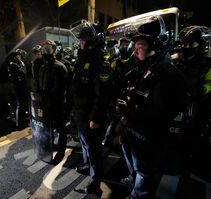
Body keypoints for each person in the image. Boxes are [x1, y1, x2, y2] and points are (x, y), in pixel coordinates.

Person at [118, 16, 187, 199]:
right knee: (137, 170)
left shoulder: (169, 76)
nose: (135, 51)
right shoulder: (147, 68)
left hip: (147, 140)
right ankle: (135, 181)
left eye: (140, 46)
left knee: (145, 174)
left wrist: (127, 111)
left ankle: (139, 194)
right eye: (135, 47)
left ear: (156, 46)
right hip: (133, 133)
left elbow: (157, 116)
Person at [72, 22, 114, 196]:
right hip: (81, 114)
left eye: (82, 41)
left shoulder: (100, 65)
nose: (79, 44)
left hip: (91, 117)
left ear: (92, 42)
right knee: (85, 144)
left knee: (94, 149)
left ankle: (95, 183)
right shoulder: (83, 61)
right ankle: (87, 164)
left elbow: (102, 96)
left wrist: (95, 119)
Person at [177, 26, 211, 179]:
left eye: (191, 44)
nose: (186, 47)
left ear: (200, 45)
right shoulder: (176, 61)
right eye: (184, 43)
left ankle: (189, 164)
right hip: (176, 105)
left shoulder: (207, 64)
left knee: (192, 137)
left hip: (196, 106)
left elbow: (208, 85)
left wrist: (202, 89)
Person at [30, 40, 68, 164]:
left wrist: (48, 97)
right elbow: (39, 84)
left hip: (57, 104)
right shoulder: (42, 67)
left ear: (54, 51)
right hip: (44, 104)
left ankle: (62, 149)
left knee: (61, 128)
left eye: (49, 49)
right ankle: (49, 146)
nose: (46, 52)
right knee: (47, 127)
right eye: (44, 49)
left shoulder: (60, 67)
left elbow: (60, 89)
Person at [2, 49, 28, 129]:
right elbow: (23, 74)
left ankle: (21, 121)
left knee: (19, 104)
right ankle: (19, 123)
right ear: (16, 56)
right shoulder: (14, 65)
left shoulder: (13, 64)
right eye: (20, 56)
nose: (21, 58)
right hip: (18, 87)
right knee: (20, 105)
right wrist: (23, 66)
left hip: (17, 87)